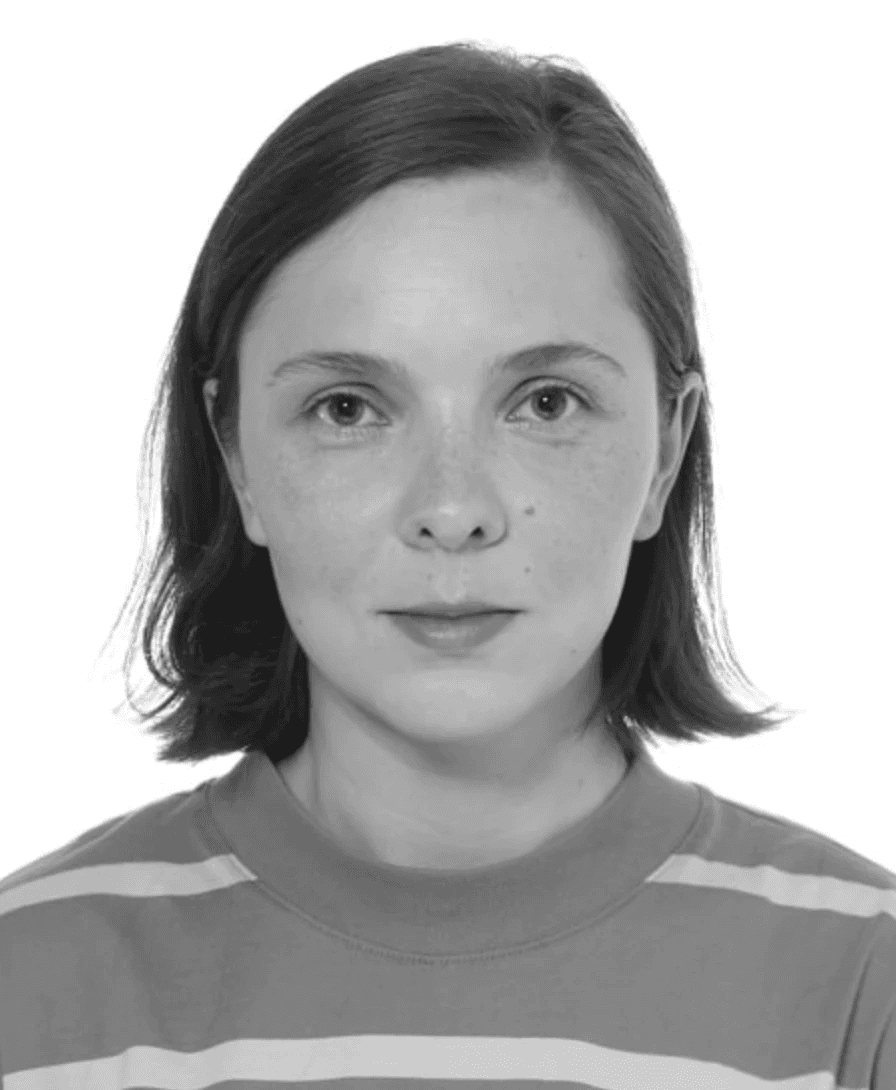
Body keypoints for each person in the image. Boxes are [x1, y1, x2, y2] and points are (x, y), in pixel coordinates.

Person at [1, 39, 893, 1088]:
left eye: (545, 402)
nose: (452, 511)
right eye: (347, 409)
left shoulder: (862, 987)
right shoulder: (28, 986)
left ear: (665, 450)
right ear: (236, 456)